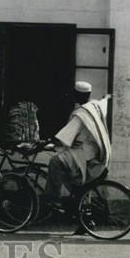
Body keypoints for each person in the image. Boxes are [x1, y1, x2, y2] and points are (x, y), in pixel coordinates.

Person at [42, 81, 111, 223]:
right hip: (94, 150)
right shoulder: (95, 106)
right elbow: (103, 103)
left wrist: (46, 142)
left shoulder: (81, 114)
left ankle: (52, 198)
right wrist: (107, 98)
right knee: (74, 180)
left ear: (77, 95)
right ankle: (79, 212)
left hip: (83, 152)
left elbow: (65, 136)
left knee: (55, 162)